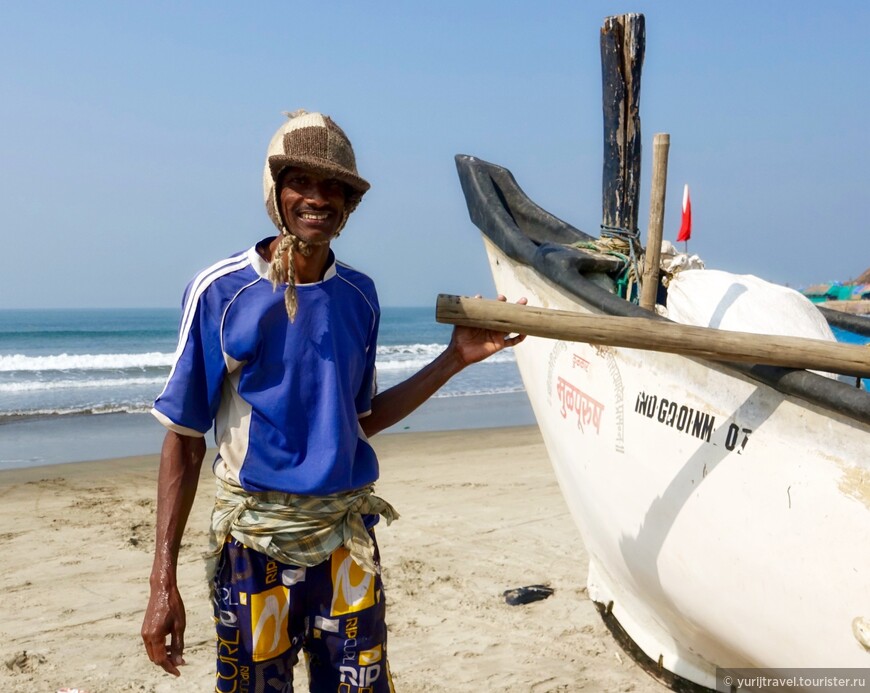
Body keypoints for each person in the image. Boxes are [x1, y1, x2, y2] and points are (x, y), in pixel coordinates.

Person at [140, 109, 525, 692]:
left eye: (334, 187)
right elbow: (185, 441)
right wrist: (161, 583)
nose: (317, 198)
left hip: (345, 539)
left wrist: (455, 359)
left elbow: (356, 422)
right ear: (276, 194)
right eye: (301, 181)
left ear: (349, 206)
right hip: (255, 542)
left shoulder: (359, 297)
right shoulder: (222, 291)